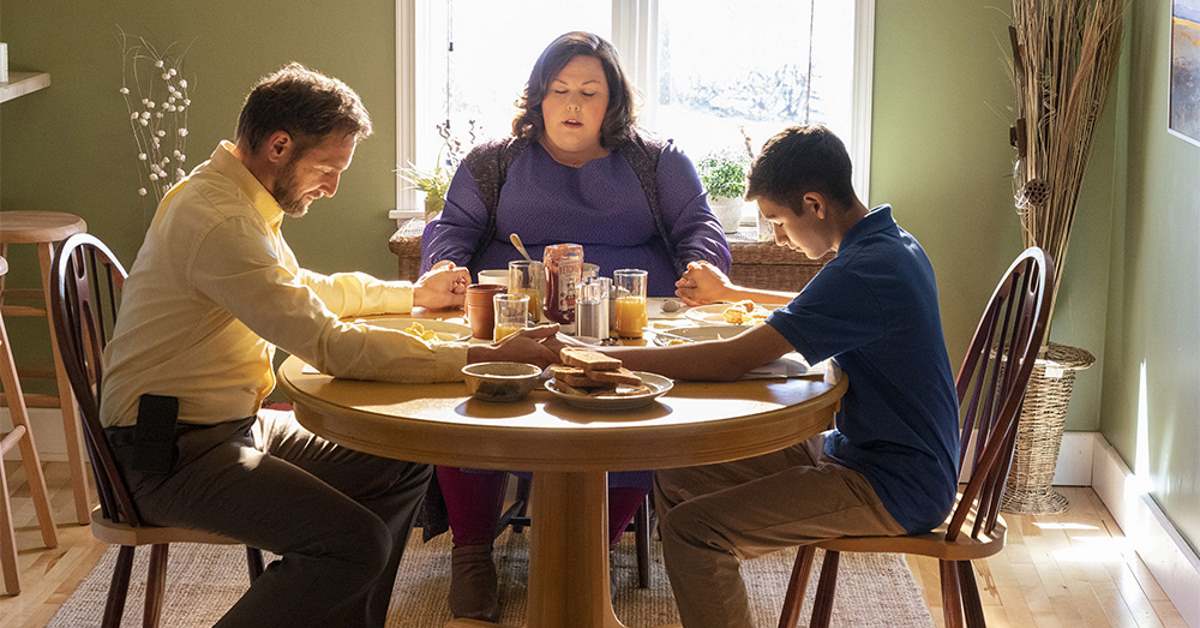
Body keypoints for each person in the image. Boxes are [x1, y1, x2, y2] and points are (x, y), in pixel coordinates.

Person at [99, 63, 562, 628]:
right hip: (165, 454)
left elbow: (303, 291)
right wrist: (480, 358)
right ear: (279, 145)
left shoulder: (233, 198)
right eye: (327, 168)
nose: (333, 186)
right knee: (355, 544)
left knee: (400, 459)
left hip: (224, 427)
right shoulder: (220, 220)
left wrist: (411, 293)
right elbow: (330, 345)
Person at [418, 31, 733, 621]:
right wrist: (445, 267)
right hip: (516, 322)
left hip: (625, 327)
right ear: (537, 98)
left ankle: (594, 549)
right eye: (559, 90)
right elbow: (452, 228)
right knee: (472, 404)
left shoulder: (657, 160)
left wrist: (704, 266)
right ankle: (472, 554)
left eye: (589, 91)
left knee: (637, 417)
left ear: (612, 101)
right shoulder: (494, 160)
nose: (572, 104)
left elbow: (700, 226)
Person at [606, 124, 960, 628]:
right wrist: (731, 294)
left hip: (894, 486)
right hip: (874, 454)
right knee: (677, 467)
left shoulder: (860, 270)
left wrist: (591, 357)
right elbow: (813, 307)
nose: (778, 237)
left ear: (813, 204)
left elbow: (730, 361)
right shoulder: (888, 244)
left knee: (692, 530)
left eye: (776, 220)